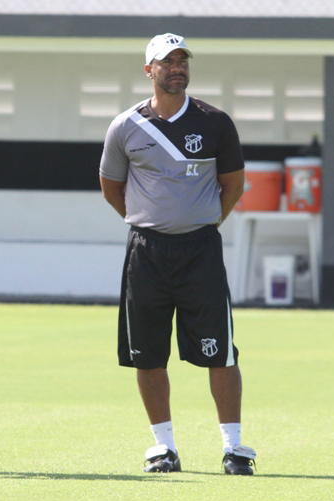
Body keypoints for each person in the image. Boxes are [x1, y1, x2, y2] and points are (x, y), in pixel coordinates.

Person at [99, 33, 256, 475]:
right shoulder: (126, 126)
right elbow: (112, 187)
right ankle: (163, 448)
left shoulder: (215, 122)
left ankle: (234, 448)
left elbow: (233, 185)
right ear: (149, 70)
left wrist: (202, 221)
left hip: (200, 251)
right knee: (147, 353)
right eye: (166, 62)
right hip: (146, 252)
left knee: (220, 350)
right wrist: (150, 220)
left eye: (182, 60)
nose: (176, 67)